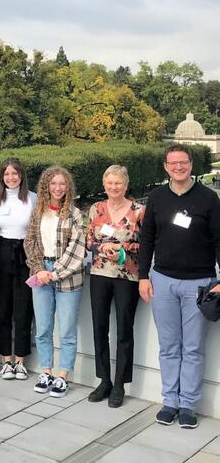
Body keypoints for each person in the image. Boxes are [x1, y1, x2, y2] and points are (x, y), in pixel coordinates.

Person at [139, 144, 220, 429]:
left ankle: (188, 405)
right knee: (169, 346)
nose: (178, 167)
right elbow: (146, 237)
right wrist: (143, 276)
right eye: (173, 163)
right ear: (165, 166)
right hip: (163, 281)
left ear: (191, 165)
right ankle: (170, 401)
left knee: (194, 348)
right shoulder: (157, 198)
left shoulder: (209, 199)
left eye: (183, 163)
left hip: (199, 283)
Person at [24, 166, 85, 399]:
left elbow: (76, 249)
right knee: (43, 328)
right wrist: (40, 270)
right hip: (41, 274)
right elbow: (30, 242)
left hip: (67, 276)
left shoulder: (75, 214)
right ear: (46, 186)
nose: (58, 188)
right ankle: (46, 371)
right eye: (53, 184)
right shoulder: (38, 212)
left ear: (67, 186)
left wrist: (55, 273)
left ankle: (62, 375)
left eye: (62, 184)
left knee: (67, 330)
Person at [86, 165, 144, 408]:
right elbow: (89, 240)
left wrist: (123, 249)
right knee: (99, 328)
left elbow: (146, 245)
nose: (113, 187)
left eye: (118, 183)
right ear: (104, 185)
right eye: (110, 183)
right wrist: (101, 248)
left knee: (124, 330)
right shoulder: (96, 209)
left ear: (126, 185)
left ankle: (120, 383)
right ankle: (104, 380)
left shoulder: (139, 211)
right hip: (99, 273)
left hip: (127, 277)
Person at [0, 158, 37, 381]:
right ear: (2, 176)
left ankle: (20, 360)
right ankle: (6, 360)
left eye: (15, 173)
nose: (11, 178)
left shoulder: (33, 199)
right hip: (1, 255)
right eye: (7, 174)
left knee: (24, 310)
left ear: (22, 175)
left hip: (25, 256)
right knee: (2, 311)